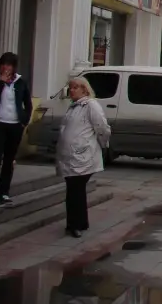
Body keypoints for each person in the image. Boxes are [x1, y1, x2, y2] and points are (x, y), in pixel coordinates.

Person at [56, 77, 111, 238]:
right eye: (70, 88)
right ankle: (79, 222)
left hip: (83, 156)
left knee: (76, 190)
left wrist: (103, 144)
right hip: (70, 156)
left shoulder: (90, 105)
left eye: (75, 88)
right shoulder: (73, 107)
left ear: (84, 90)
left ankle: (75, 224)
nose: (71, 90)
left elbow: (101, 127)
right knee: (74, 190)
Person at [0, 52, 33, 207]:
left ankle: (4, 192)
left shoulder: (20, 81)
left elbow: (27, 103)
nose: (6, 67)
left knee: (9, 161)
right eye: (4, 64)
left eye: (9, 65)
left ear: (14, 67)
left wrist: (24, 120)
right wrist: (0, 84)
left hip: (15, 125)